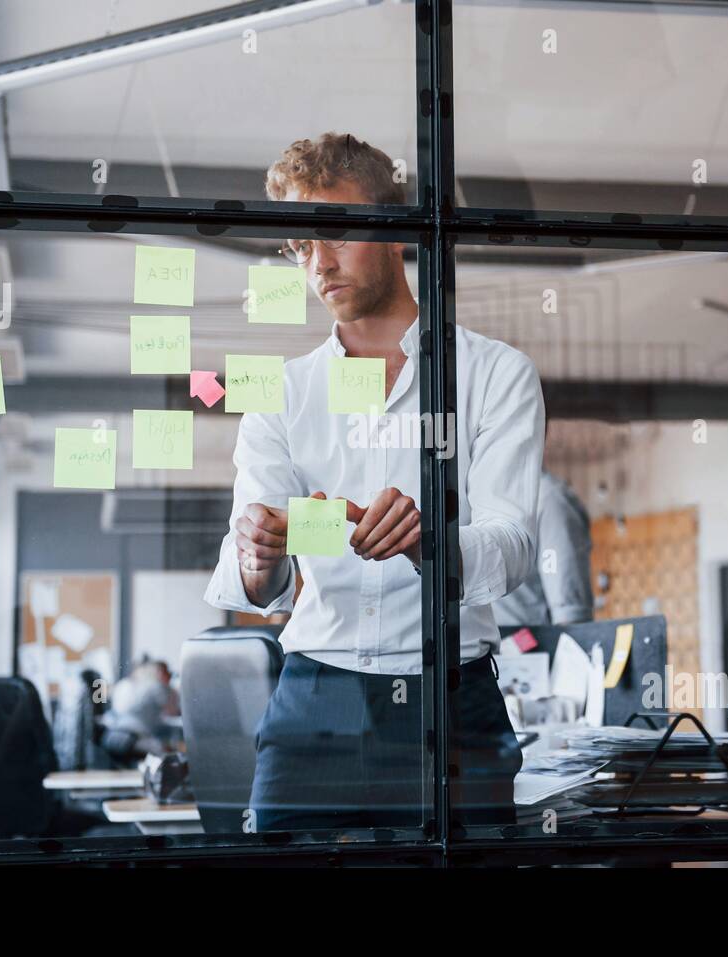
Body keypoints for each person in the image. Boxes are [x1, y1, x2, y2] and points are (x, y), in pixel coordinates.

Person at [204, 132, 544, 831]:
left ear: (396, 230)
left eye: (334, 233)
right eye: (299, 246)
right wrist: (260, 556)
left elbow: (513, 547)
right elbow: (255, 582)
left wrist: (430, 543)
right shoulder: (281, 393)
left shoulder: (494, 375)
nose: (317, 262)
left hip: (453, 703)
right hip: (313, 697)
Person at [491, 467, 594, 627]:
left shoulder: (548, 500)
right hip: (484, 646)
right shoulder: (477, 497)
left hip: (532, 646)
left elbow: (570, 616)